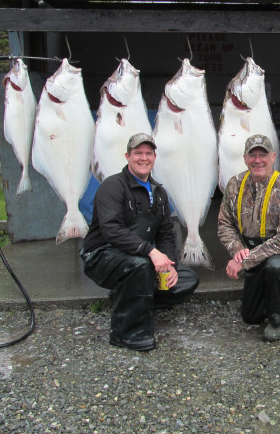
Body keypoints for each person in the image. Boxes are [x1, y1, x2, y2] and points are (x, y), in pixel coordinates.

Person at [80, 133, 199, 351]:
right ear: (127, 156)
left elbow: (165, 233)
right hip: (101, 256)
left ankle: (129, 298)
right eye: (138, 153)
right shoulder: (112, 186)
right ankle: (126, 333)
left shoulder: (159, 192)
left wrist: (169, 264)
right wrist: (151, 252)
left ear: (154, 157)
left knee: (187, 278)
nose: (143, 158)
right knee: (140, 266)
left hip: (140, 258)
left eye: (148, 153)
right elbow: (111, 230)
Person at [217, 134, 280, 342]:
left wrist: (246, 260)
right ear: (245, 158)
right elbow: (224, 224)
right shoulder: (234, 184)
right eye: (253, 155)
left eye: (263, 155)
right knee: (251, 317)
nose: (257, 160)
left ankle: (279, 320)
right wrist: (237, 250)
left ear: (273, 157)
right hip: (255, 250)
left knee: (275, 267)